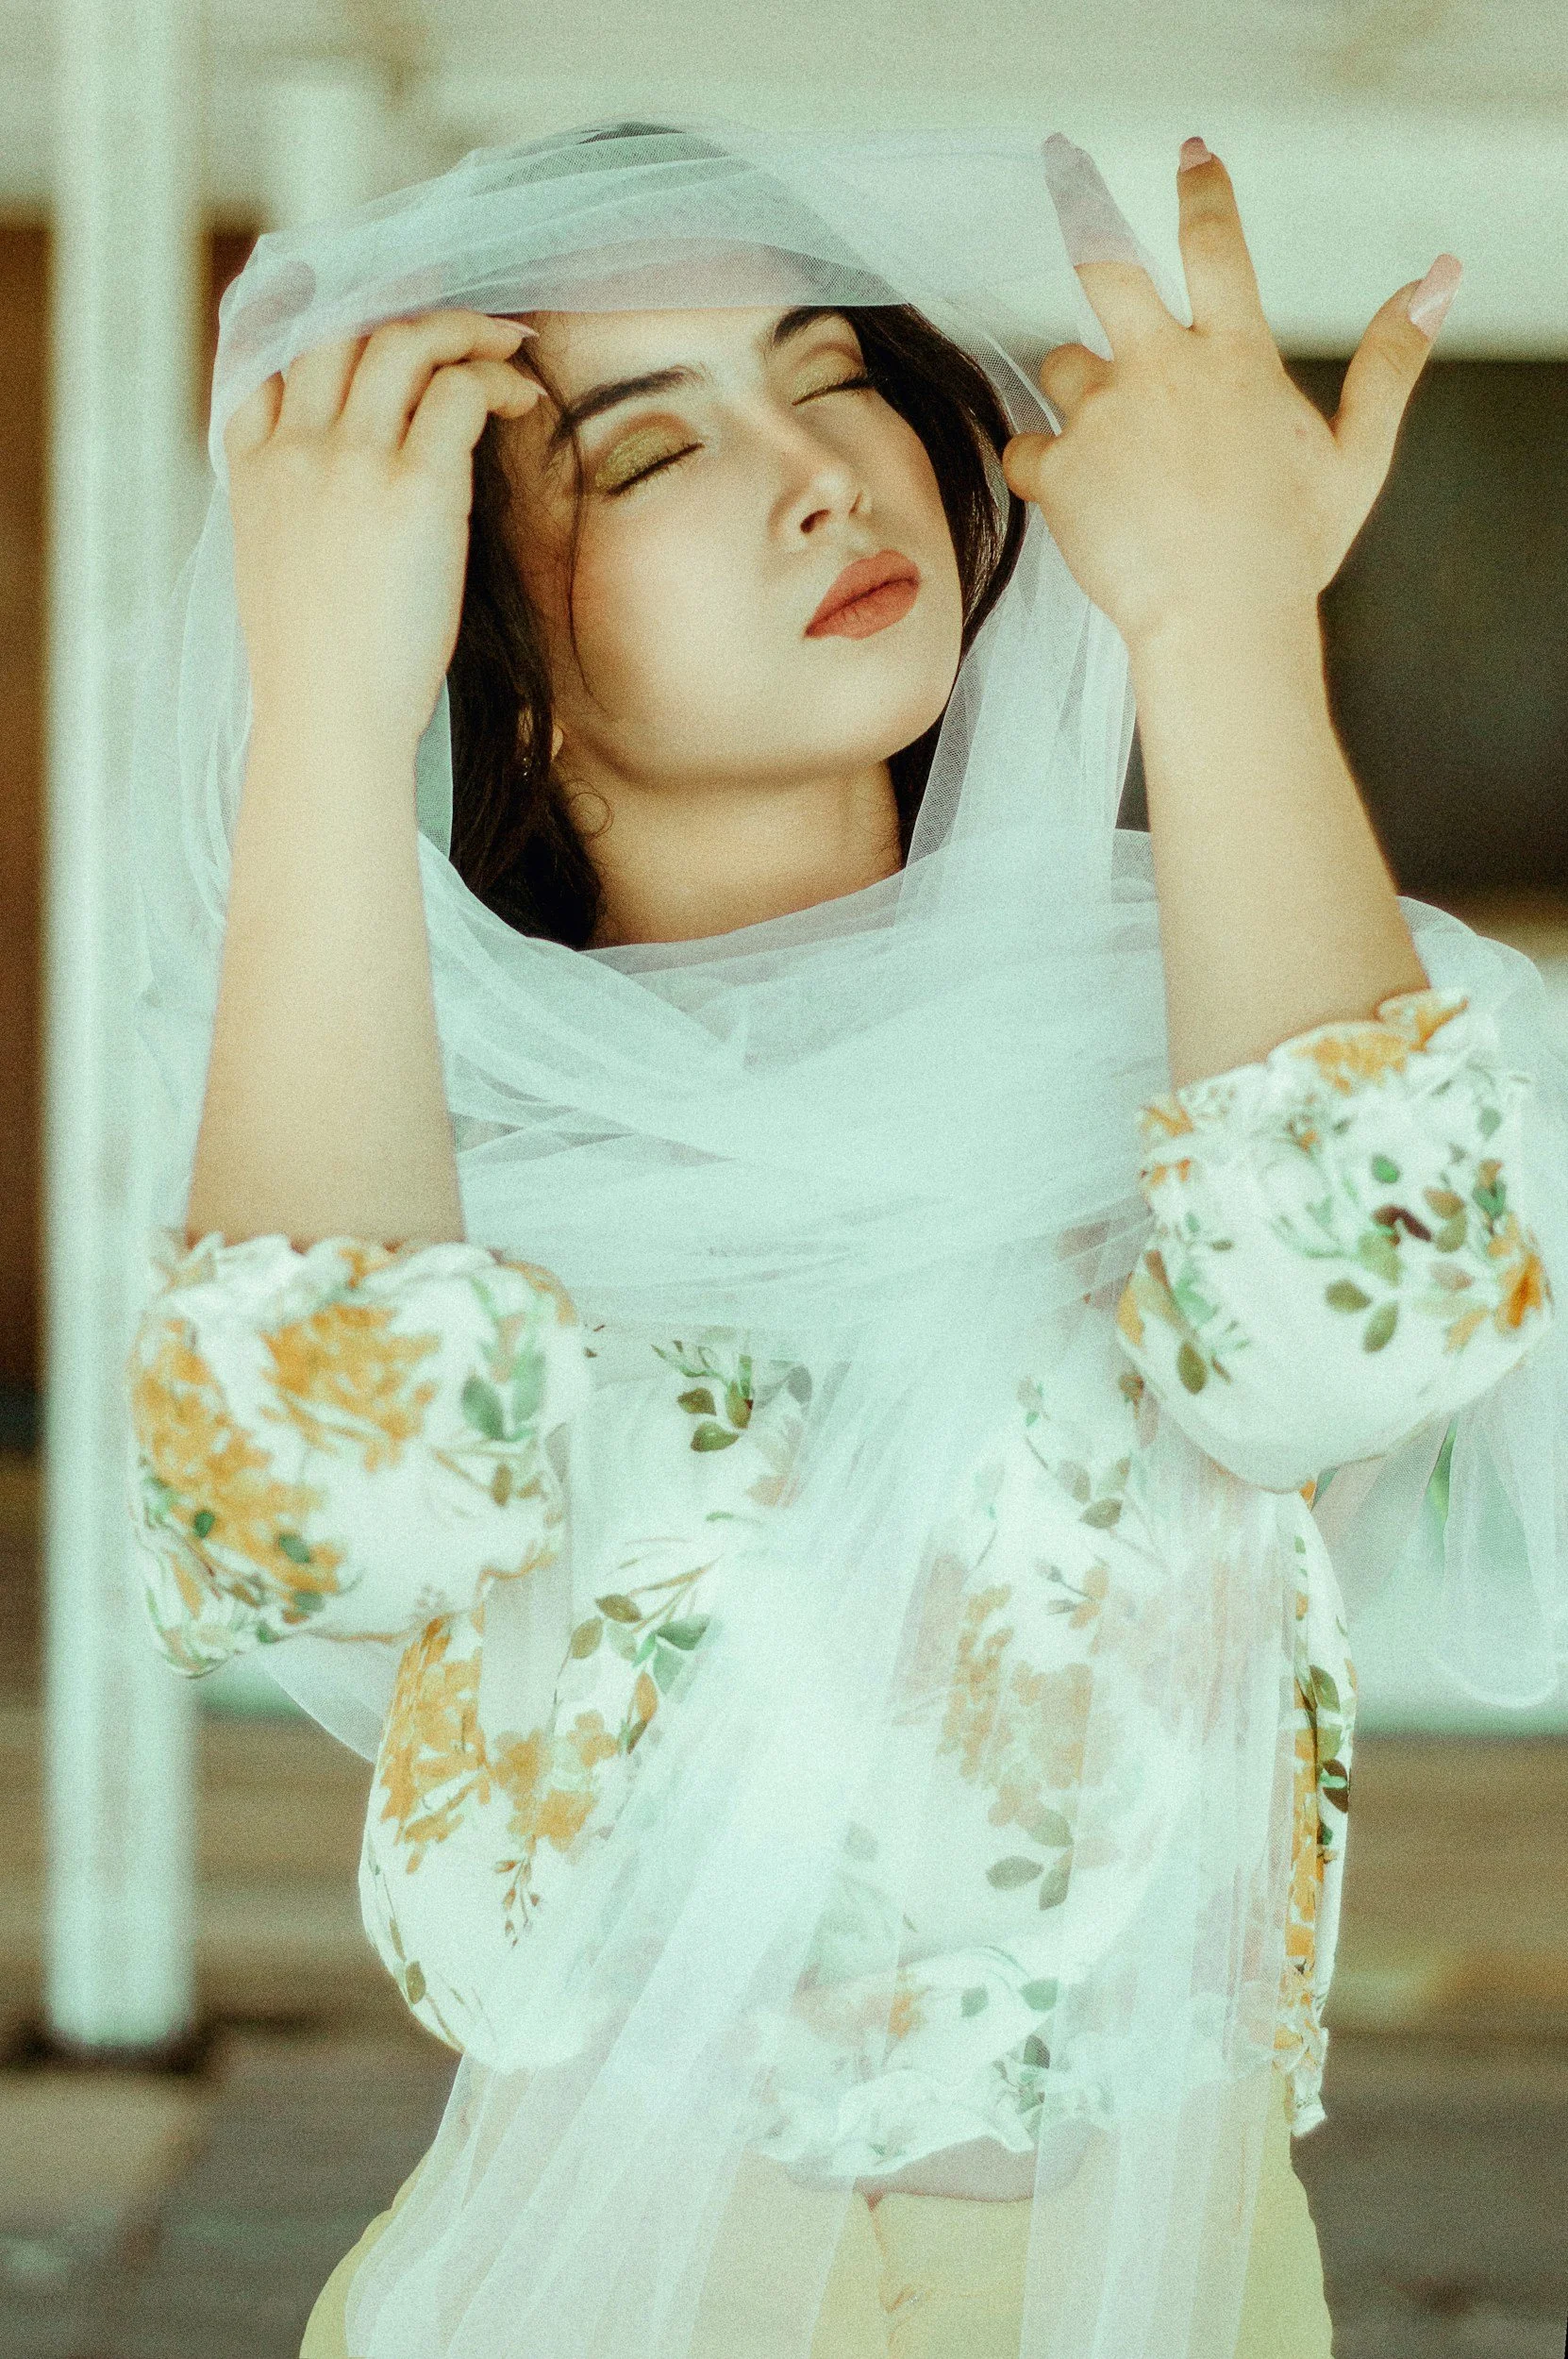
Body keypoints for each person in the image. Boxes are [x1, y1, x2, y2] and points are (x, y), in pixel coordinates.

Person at [121, 120, 1566, 2359]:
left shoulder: (1232, 1019)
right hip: (601, 2288)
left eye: (828, 374)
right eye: (654, 444)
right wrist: (326, 698)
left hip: (1166, 2290)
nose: (818, 471)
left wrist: (1222, 627)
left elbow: (1344, 1346)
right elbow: (320, 1519)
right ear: (490, 633)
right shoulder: (435, 1130)